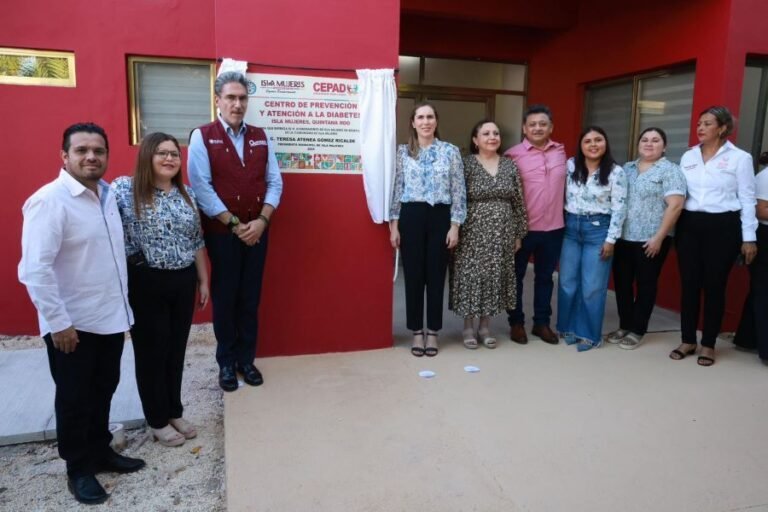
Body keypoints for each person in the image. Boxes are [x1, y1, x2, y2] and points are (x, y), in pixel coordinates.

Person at [18, 123, 145, 505]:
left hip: (109, 317)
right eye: (82, 151)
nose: (91, 157)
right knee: (74, 398)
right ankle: (78, 468)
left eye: (98, 151)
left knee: (103, 389)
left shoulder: (106, 195)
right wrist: (58, 323)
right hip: (72, 325)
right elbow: (34, 270)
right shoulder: (50, 200)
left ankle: (100, 451)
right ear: (65, 156)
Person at [112, 133, 209, 446]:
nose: (170, 159)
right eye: (162, 153)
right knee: (152, 352)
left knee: (176, 349)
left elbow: (196, 241)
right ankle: (156, 418)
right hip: (146, 281)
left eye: (174, 154)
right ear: (147, 156)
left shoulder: (187, 194)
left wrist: (203, 279)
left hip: (182, 281)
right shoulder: (124, 190)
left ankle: (173, 410)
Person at [188, 71, 283, 391]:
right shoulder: (203, 136)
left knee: (249, 298)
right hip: (222, 233)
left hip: (258, 230)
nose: (237, 103)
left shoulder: (261, 135)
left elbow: (275, 183)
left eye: (242, 98)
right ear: (218, 100)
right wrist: (234, 223)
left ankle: (246, 359)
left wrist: (262, 222)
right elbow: (201, 187)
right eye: (230, 97)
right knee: (226, 298)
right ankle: (226, 363)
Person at [673, 106, 757, 366]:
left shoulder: (739, 158)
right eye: (699, 123)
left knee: (714, 285)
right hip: (689, 224)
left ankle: (708, 343)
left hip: (723, 227)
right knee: (689, 284)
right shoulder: (688, 156)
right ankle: (688, 339)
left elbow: (747, 198)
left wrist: (749, 237)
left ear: (722, 128)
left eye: (707, 123)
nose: (700, 128)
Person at [390, 102, 466, 357]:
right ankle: (416, 331)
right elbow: (397, 188)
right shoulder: (402, 153)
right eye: (420, 117)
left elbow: (458, 190)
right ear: (413, 122)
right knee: (412, 276)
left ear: (436, 121)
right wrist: (394, 225)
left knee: (435, 276)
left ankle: (432, 331)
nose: (425, 122)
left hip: (440, 217)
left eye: (430, 117)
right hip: (411, 215)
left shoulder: (450, 151)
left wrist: (455, 226)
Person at [604, 128, 686, 349]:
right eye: (645, 139)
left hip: (651, 240)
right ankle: (625, 325)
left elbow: (676, 205)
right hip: (623, 238)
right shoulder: (626, 169)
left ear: (664, 146)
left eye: (655, 140)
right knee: (621, 284)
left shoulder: (670, 170)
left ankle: (638, 329)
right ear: (638, 143)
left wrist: (659, 237)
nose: (649, 144)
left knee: (646, 285)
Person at [450, 120, 527, 349]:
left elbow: (518, 202)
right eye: (486, 133)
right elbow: (456, 198)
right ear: (475, 140)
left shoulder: (509, 166)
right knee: (471, 277)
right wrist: (454, 227)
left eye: (496, 133)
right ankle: (467, 327)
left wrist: (518, 233)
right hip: (471, 232)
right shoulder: (465, 165)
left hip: (502, 233)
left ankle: (485, 327)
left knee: (494, 277)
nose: (492, 137)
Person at [557, 126, 627, 352]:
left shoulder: (616, 172)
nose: (593, 144)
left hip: (598, 230)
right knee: (567, 283)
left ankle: (588, 334)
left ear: (605, 143)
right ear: (581, 145)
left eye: (598, 140)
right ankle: (567, 328)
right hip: (570, 228)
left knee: (592, 287)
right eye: (588, 141)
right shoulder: (570, 166)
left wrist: (611, 240)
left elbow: (620, 209)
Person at [504, 105, 567, 345]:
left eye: (542, 124)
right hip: (523, 229)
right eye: (532, 124)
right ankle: (516, 323)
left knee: (545, 277)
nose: (537, 128)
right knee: (516, 277)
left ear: (550, 127)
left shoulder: (561, 152)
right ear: (524, 128)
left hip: (554, 228)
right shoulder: (512, 155)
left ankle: (542, 323)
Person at [734, 151, 768, 364]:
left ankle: (747, 338)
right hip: (764, 236)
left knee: (760, 290)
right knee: (764, 292)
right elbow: (760, 211)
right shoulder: (764, 177)